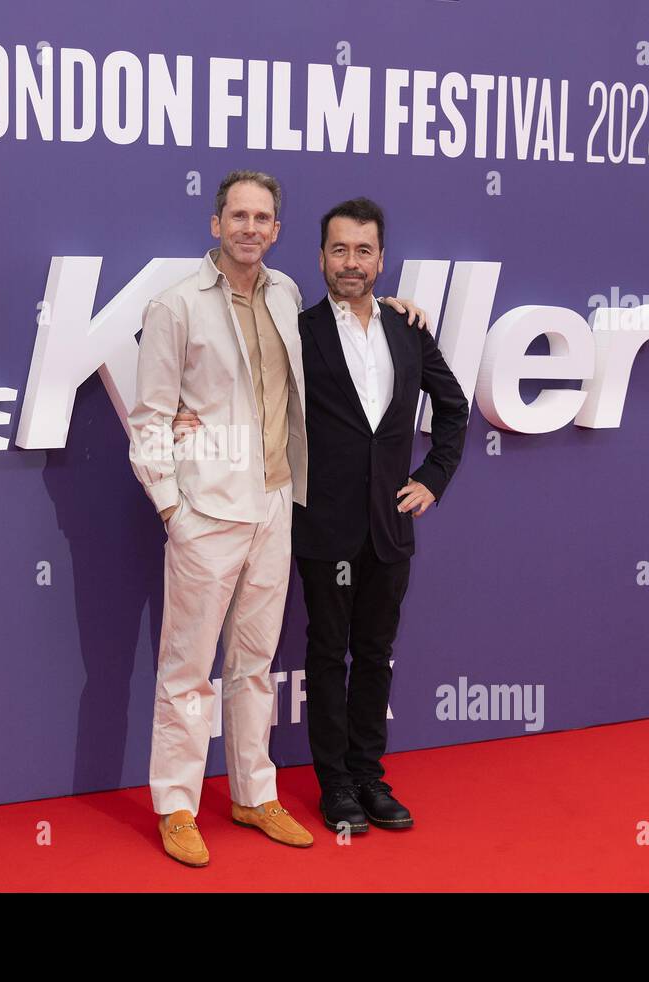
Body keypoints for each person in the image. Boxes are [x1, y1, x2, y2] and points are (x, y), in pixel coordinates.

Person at [128, 172, 427, 866]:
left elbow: (343, 337)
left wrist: (394, 310)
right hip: (205, 511)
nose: (250, 228)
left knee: (255, 665)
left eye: (263, 218)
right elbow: (148, 422)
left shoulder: (289, 294)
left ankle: (253, 793)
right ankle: (176, 805)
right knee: (186, 669)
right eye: (238, 216)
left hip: (275, 504)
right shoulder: (175, 307)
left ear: (277, 231)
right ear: (215, 224)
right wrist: (173, 508)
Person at [172, 196, 467, 836]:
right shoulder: (296, 330)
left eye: (364, 251)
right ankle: (334, 783)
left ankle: (370, 777)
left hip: (390, 526)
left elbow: (454, 409)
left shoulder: (408, 329)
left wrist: (432, 480)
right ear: (320, 258)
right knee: (328, 655)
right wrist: (184, 415)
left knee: (376, 653)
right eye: (339, 250)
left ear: (381, 260)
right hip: (323, 525)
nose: (351, 263)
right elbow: (249, 392)